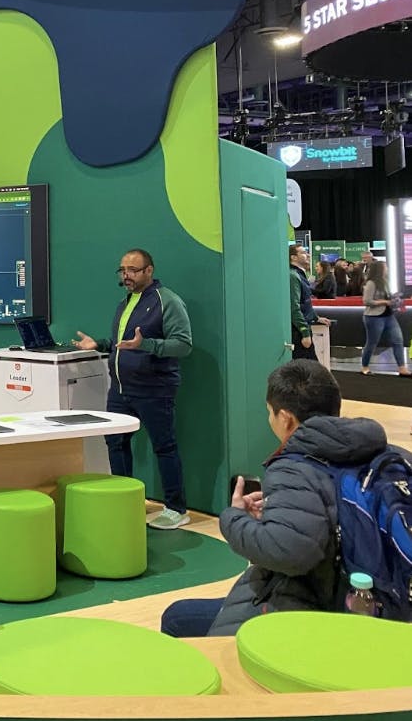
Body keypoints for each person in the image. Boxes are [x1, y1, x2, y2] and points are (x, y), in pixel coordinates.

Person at [159, 360, 396, 637]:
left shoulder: (294, 467)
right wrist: (277, 516)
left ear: (285, 418)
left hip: (314, 610)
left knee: (176, 618)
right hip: (381, 605)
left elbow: (289, 553)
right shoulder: (388, 456)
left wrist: (234, 518)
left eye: (270, 413)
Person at [73, 248, 193, 530]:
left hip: (155, 388)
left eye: (133, 270)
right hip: (120, 389)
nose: (126, 276)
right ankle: (125, 500)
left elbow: (184, 344)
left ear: (149, 271)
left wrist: (147, 345)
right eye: (122, 270)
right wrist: (100, 345)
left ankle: (177, 508)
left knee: (164, 447)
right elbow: (123, 342)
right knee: (115, 443)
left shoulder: (168, 301)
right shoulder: (126, 302)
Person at [361, 261, 411, 376]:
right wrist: (385, 302)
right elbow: (366, 301)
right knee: (372, 343)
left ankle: (402, 368)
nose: (387, 269)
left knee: (398, 340)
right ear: (380, 269)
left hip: (389, 316)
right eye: (385, 267)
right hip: (374, 317)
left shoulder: (385, 282)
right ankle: (365, 367)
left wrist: (394, 299)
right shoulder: (371, 283)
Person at [289, 244, 330, 361]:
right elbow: (294, 306)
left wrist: (316, 318)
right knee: (309, 370)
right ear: (294, 257)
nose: (307, 255)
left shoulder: (299, 275)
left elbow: (305, 302)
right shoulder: (293, 276)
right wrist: (305, 332)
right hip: (298, 331)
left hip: (301, 328)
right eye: (303, 252)